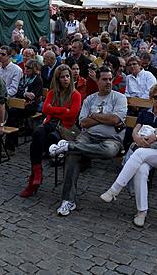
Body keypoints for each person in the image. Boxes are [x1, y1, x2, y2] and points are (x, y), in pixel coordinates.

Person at [100, 83, 157, 226]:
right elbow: (135, 130)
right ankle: (142, 211)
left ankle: (115, 189)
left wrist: (156, 137)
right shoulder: (145, 113)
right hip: (147, 150)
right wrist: (137, 138)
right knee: (141, 170)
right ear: (152, 98)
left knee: (140, 153)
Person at [52, 66, 127, 216]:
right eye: (104, 79)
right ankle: (68, 200)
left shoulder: (119, 98)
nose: (108, 82)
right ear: (97, 81)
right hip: (88, 136)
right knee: (73, 156)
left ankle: (69, 146)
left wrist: (94, 116)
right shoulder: (90, 99)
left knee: (108, 151)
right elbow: (83, 123)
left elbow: (115, 119)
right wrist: (105, 118)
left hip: (111, 139)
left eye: (110, 79)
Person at [19, 65, 82, 198]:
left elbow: (72, 115)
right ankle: (37, 172)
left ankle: (34, 178)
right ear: (57, 79)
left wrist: (55, 110)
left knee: (44, 140)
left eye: (67, 76)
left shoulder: (76, 95)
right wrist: (64, 110)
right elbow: (45, 110)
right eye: (62, 77)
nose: (65, 79)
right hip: (50, 124)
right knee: (37, 134)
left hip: (65, 128)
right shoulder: (53, 93)